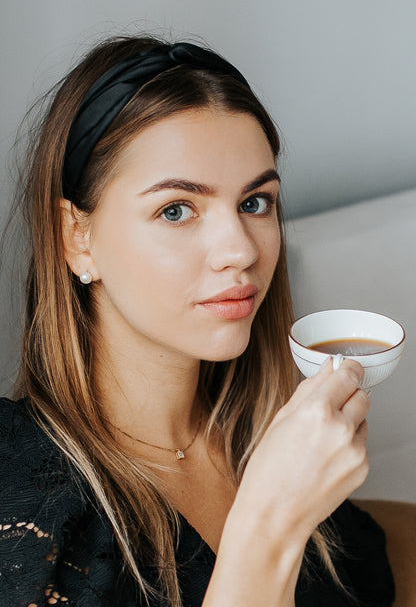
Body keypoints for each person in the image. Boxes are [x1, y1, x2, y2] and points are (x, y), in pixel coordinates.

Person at [0, 35, 395, 607]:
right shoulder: (21, 500)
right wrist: (270, 526)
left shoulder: (277, 448)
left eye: (255, 202)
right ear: (76, 238)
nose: (240, 250)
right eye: (176, 209)